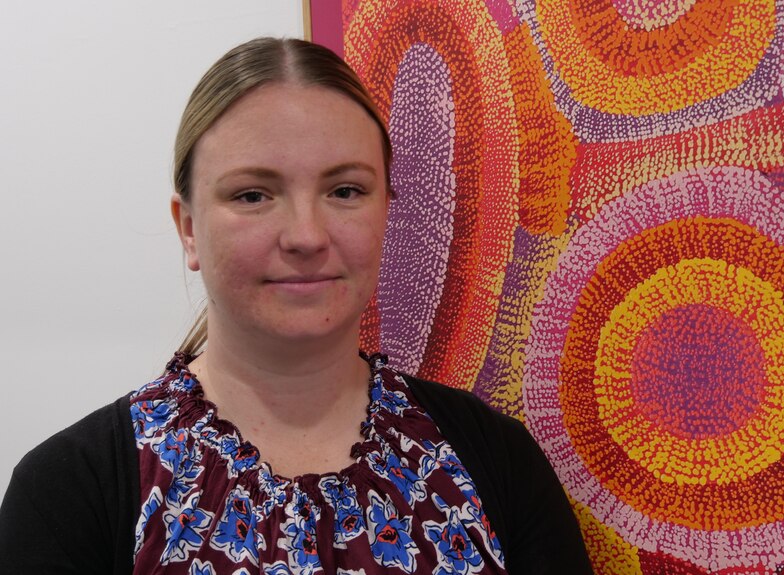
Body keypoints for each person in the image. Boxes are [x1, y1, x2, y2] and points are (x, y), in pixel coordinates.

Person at [0, 37, 593, 574]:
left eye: (345, 191)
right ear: (188, 229)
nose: (306, 235)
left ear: (386, 209)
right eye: (253, 194)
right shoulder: (70, 492)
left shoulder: (499, 462)